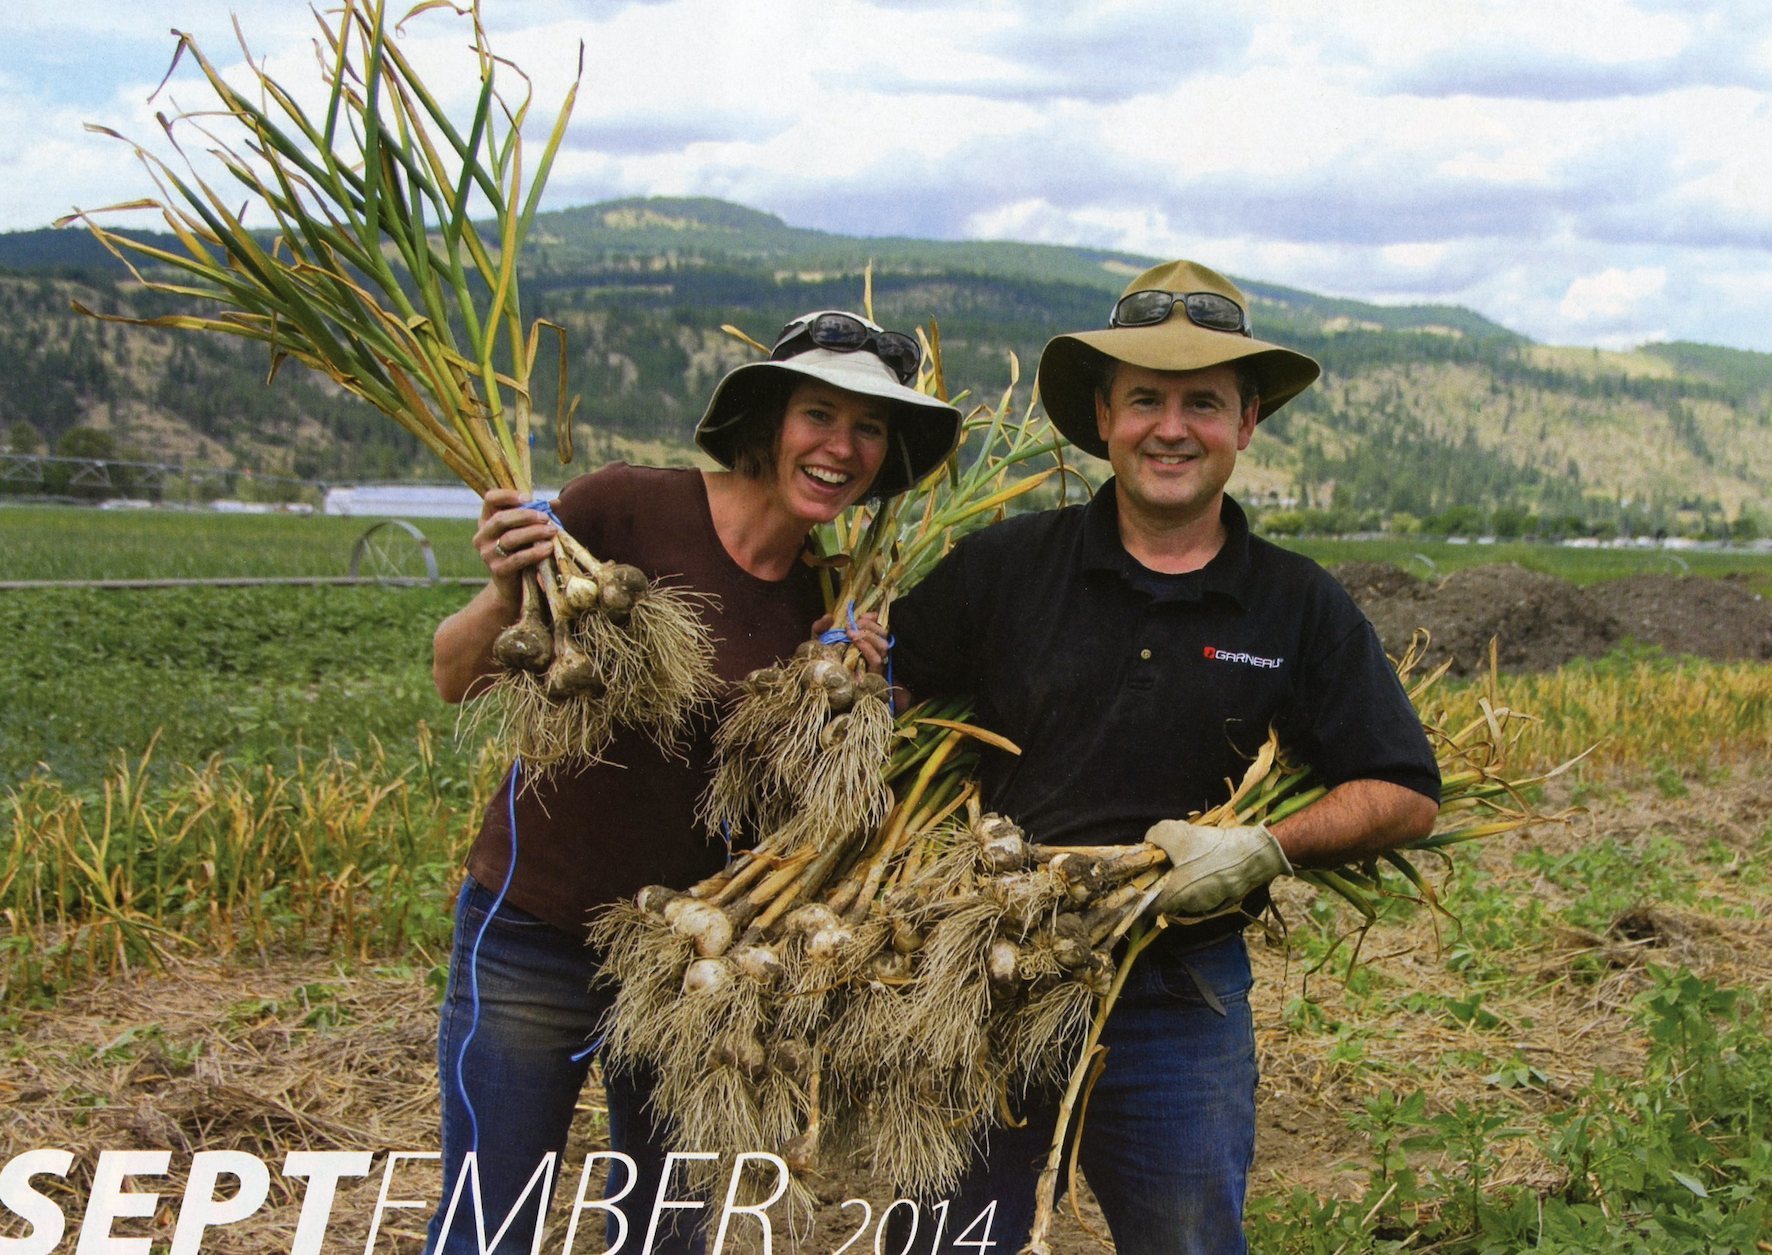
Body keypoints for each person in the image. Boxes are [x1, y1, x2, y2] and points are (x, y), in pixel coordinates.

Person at [884, 260, 1442, 1254]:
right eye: (1145, 399)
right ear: (1103, 416)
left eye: (1203, 404)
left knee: (1186, 1241)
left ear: (1246, 423)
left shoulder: (1296, 604)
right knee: (945, 1239)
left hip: (1176, 995)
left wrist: (1265, 847)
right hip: (985, 970)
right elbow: (889, 692)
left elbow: (1402, 791)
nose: (1171, 428)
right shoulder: (1003, 568)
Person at [424, 310, 959, 1255]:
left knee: (667, 1236)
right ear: (768, 420)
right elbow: (455, 676)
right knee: (487, 1224)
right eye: (818, 414)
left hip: (691, 958)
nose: (841, 447)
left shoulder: (831, 600)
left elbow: (801, 808)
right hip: (535, 930)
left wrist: (852, 695)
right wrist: (509, 591)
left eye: (869, 427)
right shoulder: (624, 508)